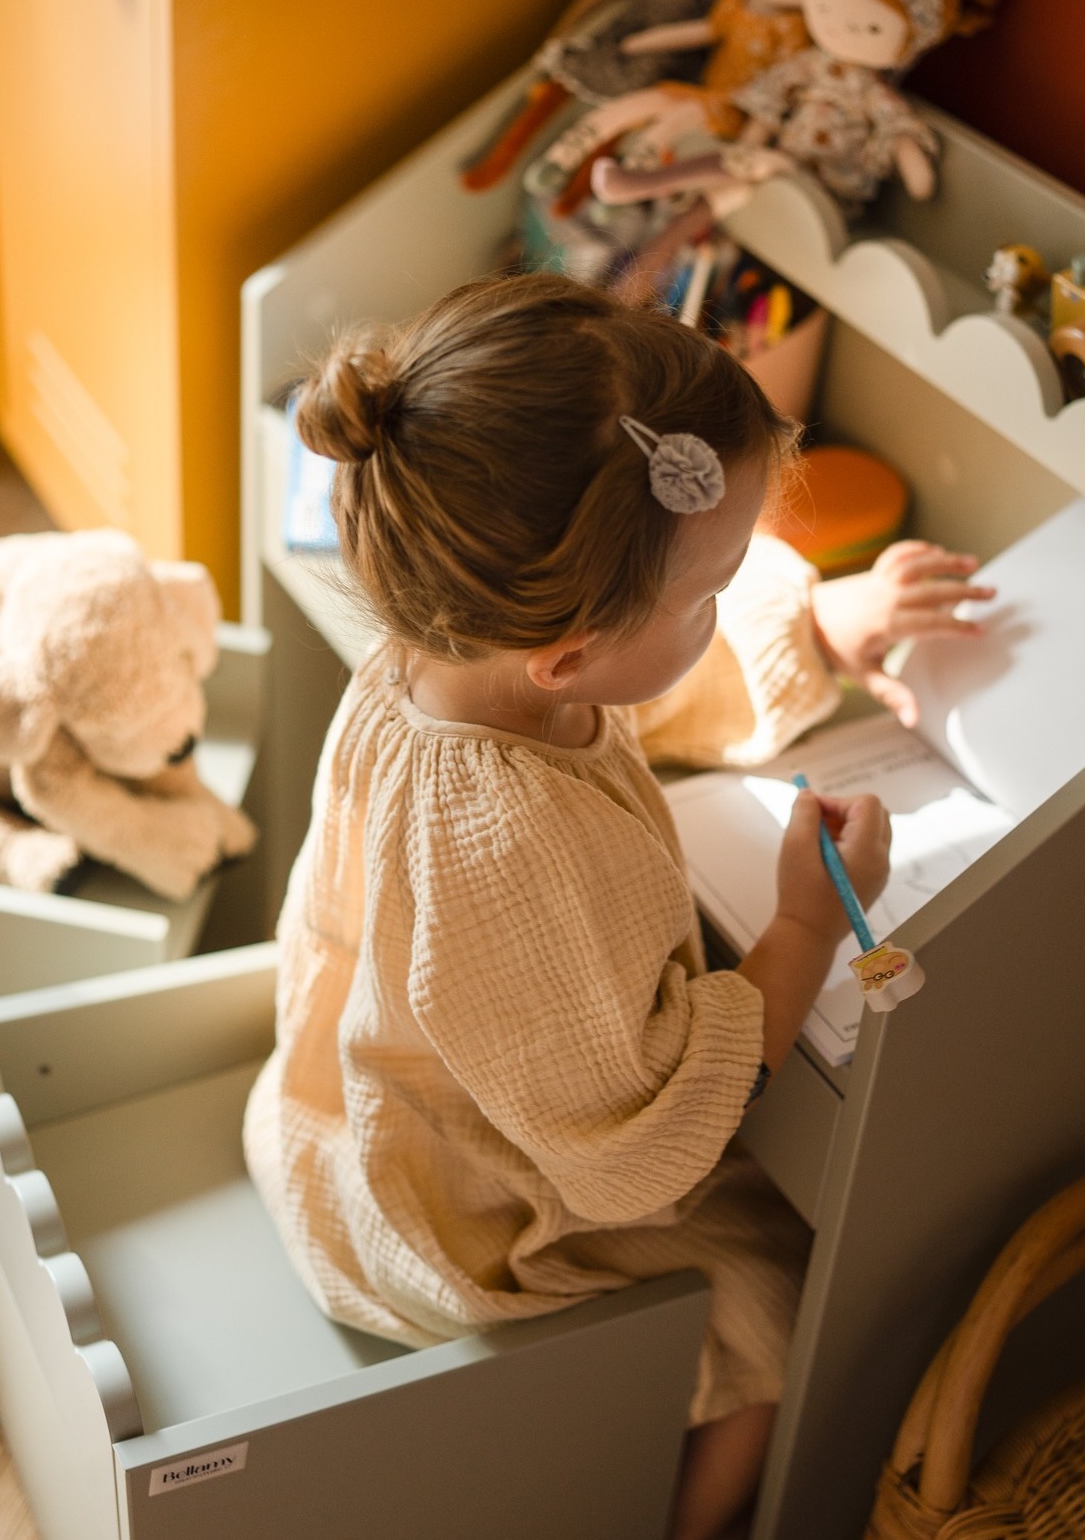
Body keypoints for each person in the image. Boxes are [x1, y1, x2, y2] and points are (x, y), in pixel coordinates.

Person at [244, 272, 991, 1540]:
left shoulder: (449, 646)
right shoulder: (515, 843)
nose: (718, 608)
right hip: (466, 1217)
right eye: (710, 592)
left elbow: (644, 693)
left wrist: (820, 623)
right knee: (785, 1285)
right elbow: (637, 1156)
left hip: (339, 1102)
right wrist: (804, 927)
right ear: (568, 648)